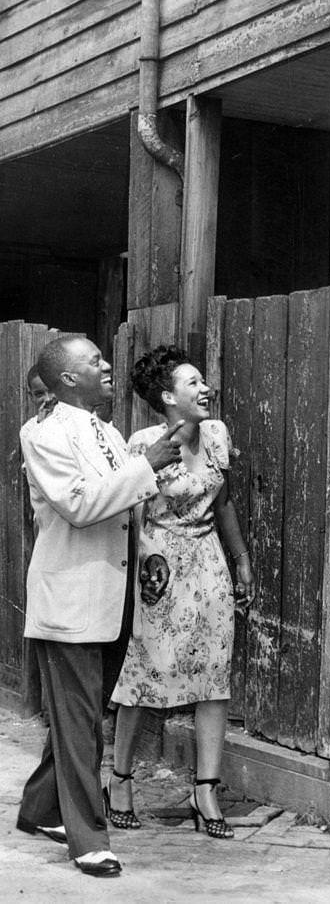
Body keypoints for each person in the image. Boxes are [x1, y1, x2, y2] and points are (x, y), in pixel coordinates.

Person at [16, 336, 180, 878]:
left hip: (112, 595)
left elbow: (123, 507)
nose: (106, 365)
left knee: (80, 716)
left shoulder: (105, 430)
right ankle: (88, 839)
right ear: (67, 379)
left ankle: (41, 808)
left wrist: (148, 553)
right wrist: (146, 466)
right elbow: (81, 506)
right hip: (71, 600)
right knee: (82, 723)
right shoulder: (42, 434)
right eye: (93, 361)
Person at [108, 345, 254, 840]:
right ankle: (120, 779)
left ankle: (205, 789)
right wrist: (139, 576)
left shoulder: (216, 434)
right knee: (145, 671)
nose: (205, 388)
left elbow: (224, 501)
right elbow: (128, 513)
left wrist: (241, 558)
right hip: (161, 565)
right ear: (168, 397)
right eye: (193, 383)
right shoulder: (143, 444)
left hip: (209, 560)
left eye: (202, 381)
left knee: (214, 674)